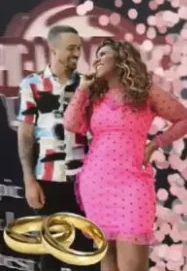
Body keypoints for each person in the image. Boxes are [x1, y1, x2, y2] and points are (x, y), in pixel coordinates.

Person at [64, 41, 187, 271]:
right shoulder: (94, 97)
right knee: (107, 261)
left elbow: (183, 118)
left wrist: (155, 144)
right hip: (96, 184)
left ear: (121, 58)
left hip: (132, 184)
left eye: (103, 54)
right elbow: (71, 123)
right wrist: (82, 88)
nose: (97, 59)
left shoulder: (145, 92)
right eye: (96, 55)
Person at [16, 24, 89, 271]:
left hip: (84, 182)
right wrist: (29, 180)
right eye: (71, 48)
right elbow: (25, 133)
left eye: (79, 48)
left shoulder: (87, 85)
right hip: (47, 180)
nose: (77, 54)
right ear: (53, 49)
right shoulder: (32, 84)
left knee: (85, 254)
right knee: (50, 255)